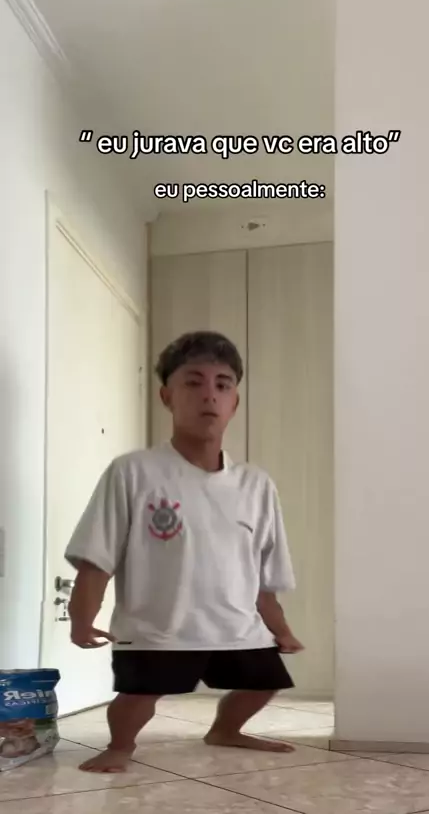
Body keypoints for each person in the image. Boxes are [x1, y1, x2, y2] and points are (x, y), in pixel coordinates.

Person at [65, 331, 304, 773]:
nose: (209, 395)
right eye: (193, 382)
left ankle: (225, 730)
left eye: (222, 384)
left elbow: (264, 575)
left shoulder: (256, 485)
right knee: (137, 697)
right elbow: (97, 557)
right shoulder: (133, 472)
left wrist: (282, 630)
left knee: (264, 683)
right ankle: (120, 746)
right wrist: (81, 618)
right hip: (159, 627)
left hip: (237, 626)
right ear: (167, 396)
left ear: (234, 402)